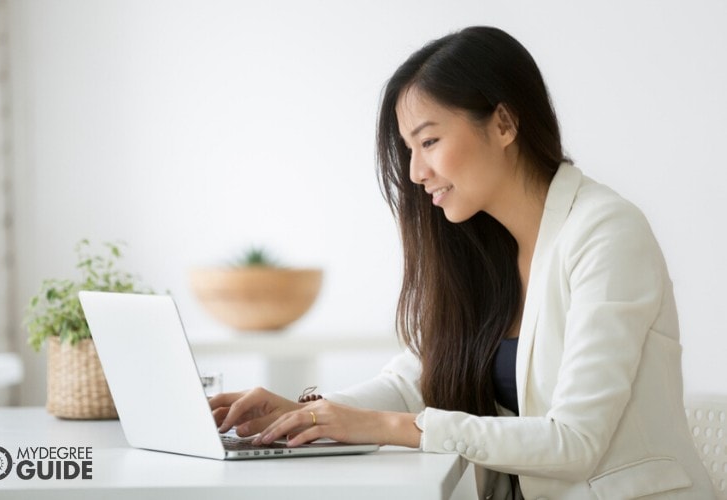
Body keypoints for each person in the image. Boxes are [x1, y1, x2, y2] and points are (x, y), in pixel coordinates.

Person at [209, 26, 715, 499]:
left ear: (503, 123)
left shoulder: (607, 233)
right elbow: (414, 381)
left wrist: (387, 428)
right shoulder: (483, 249)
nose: (415, 171)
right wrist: (305, 415)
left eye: (429, 141)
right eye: (409, 149)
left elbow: (575, 441)